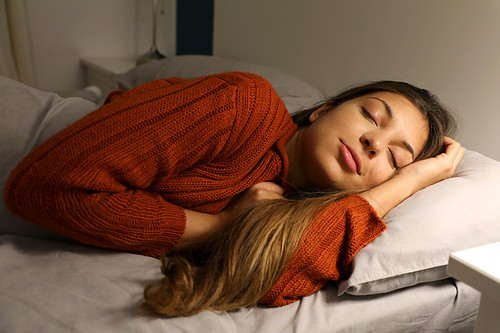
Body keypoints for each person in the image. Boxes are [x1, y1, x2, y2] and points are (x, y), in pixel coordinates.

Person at [4, 72, 463, 317]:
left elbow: (278, 282)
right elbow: (48, 189)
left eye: (395, 158)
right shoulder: (246, 106)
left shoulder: (286, 211)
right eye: (370, 115)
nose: (374, 143)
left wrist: (410, 183)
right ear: (323, 109)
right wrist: (220, 228)